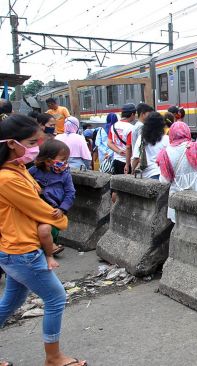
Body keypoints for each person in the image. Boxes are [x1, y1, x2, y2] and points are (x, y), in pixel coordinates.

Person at [0, 114, 87, 366]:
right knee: (56, 298)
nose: (35, 147)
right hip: (21, 250)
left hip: (17, 248)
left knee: (11, 302)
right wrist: (60, 220)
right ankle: (53, 357)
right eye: (30, 142)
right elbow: (41, 209)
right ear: (11, 144)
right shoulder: (8, 178)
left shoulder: (16, 170)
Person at [157, 122, 197, 223]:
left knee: (180, 227)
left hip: (176, 196)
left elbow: (164, 181)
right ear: (187, 132)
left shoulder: (165, 152)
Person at [29, 139, 75, 256]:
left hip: (55, 208)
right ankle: (48, 248)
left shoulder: (65, 174)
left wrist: (62, 208)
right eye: (62, 160)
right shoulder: (34, 171)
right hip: (37, 206)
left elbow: (70, 193)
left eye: (66, 160)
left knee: (53, 230)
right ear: (48, 161)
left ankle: (51, 246)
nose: (65, 163)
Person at [132, 112, 170, 179]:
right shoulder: (166, 139)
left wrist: (132, 171)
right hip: (163, 174)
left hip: (147, 174)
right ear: (161, 125)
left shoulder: (142, 138)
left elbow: (136, 158)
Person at [107, 103, 136, 175]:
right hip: (127, 162)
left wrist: (119, 151)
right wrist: (127, 164)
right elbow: (128, 147)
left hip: (116, 160)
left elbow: (109, 143)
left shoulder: (113, 126)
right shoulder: (131, 128)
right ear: (132, 114)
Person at [127, 103, 155, 171]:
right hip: (139, 161)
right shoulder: (141, 127)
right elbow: (141, 146)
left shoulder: (136, 125)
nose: (150, 116)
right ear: (143, 114)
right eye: (149, 114)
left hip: (134, 159)